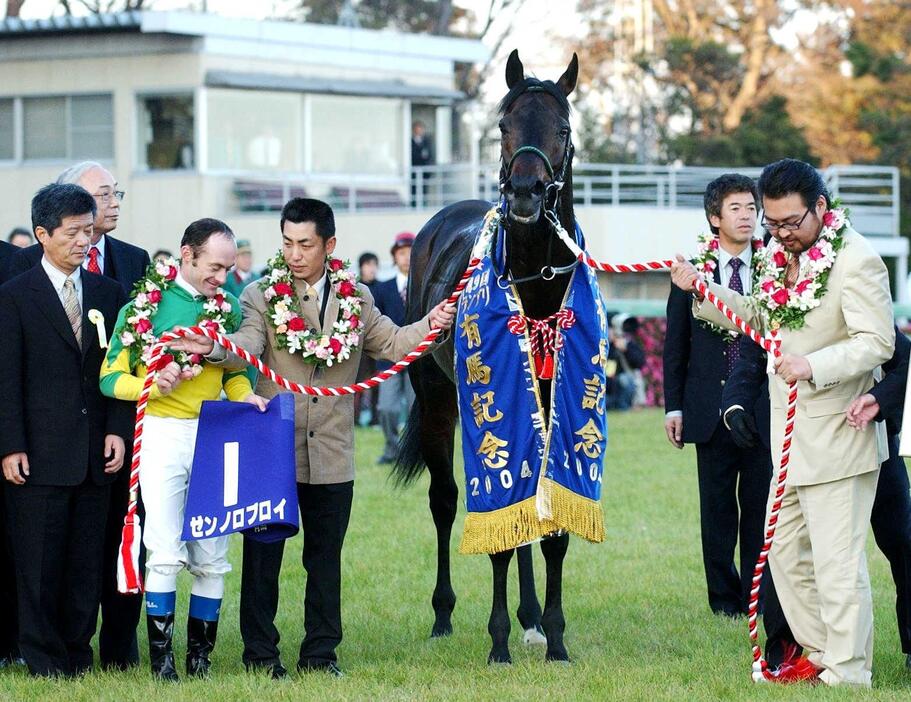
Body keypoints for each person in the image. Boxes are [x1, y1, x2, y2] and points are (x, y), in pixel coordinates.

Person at [171, 198, 455, 678]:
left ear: (330, 245)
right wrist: (216, 347)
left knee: (325, 561)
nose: (295, 253)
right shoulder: (260, 294)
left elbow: (391, 343)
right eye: (287, 242)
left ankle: (320, 655)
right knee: (262, 562)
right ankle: (261, 656)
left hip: (333, 453)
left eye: (305, 244)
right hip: (271, 451)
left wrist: (434, 322)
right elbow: (247, 348)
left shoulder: (358, 296)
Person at [671, 158, 894, 686]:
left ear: (821, 207)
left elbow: (877, 341)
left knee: (838, 565)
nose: (780, 235)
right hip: (787, 442)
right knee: (784, 557)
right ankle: (817, 654)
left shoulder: (858, 260)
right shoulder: (775, 256)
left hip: (839, 435)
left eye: (791, 223)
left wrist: (812, 365)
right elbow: (757, 316)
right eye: (772, 224)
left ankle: (850, 671)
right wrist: (702, 288)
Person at [5, 161, 153, 670]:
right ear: (43, 235)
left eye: (88, 231)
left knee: (87, 561)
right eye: (72, 233)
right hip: (38, 455)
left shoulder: (111, 295)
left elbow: (119, 370)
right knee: (40, 562)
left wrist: (117, 431)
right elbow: (7, 379)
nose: (84, 242)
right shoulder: (14, 297)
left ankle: (76, 649)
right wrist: (10, 445)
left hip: (97, 453)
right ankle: (42, 655)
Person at [100, 219, 260, 681]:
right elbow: (110, 378)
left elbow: (237, 370)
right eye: (214, 266)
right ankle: (163, 664)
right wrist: (152, 385)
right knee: (165, 549)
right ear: (186, 254)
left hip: (216, 433)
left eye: (229, 268)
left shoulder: (229, 309)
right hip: (162, 432)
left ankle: (200, 661)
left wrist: (243, 393)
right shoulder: (141, 306)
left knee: (212, 552)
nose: (222, 277)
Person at [723, 327, 911, 672]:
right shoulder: (774, 303)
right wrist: (734, 405)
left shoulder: (850, 300)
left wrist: (880, 400)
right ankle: (790, 645)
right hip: (801, 452)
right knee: (787, 546)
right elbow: (751, 358)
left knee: (902, 543)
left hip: (871, 445)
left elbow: (903, 359)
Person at [663, 173, 770, 617]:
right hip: (707, 409)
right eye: (736, 209)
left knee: (761, 507)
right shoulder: (691, 272)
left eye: (751, 208)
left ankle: (757, 596)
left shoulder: (775, 267)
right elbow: (677, 343)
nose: (746, 216)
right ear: (715, 217)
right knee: (717, 509)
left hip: (762, 408)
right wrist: (674, 406)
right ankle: (723, 599)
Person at [373, 232, 416, 464]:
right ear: (394, 256)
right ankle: (391, 448)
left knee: (414, 409)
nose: (407, 258)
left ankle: (412, 453)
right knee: (386, 408)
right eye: (401, 253)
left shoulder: (423, 286)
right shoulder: (382, 289)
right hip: (388, 360)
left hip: (418, 359)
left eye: (411, 252)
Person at [355, 252, 380, 426]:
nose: (371, 269)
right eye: (368, 265)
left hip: (375, 341)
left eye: (374, 265)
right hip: (357, 343)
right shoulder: (354, 288)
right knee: (357, 383)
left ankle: (374, 418)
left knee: (376, 380)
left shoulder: (381, 287)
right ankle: (355, 418)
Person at [605, 313, 645, 410]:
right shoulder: (606, 347)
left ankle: (624, 407)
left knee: (624, 379)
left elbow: (639, 363)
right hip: (608, 390)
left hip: (625, 388)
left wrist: (626, 350)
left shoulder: (630, 345)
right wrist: (612, 346)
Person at [410, 120, 434, 207]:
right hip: (414, 171)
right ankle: (414, 205)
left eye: (421, 129)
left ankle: (423, 204)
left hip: (424, 172)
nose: (419, 131)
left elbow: (430, 155)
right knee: (414, 190)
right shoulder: (410, 142)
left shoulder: (426, 141)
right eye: (417, 129)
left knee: (424, 191)